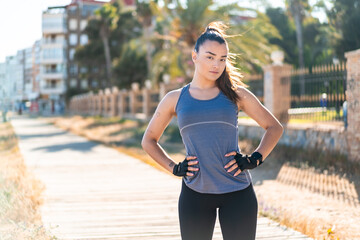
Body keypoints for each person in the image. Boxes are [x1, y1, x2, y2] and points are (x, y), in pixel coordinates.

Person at [141, 21, 283, 240]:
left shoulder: (237, 95)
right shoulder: (175, 99)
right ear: (194, 55)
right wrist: (174, 167)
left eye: (222, 59)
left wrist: (255, 158)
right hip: (194, 194)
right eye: (210, 57)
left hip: (238, 193)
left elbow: (274, 127)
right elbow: (149, 140)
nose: (217, 64)